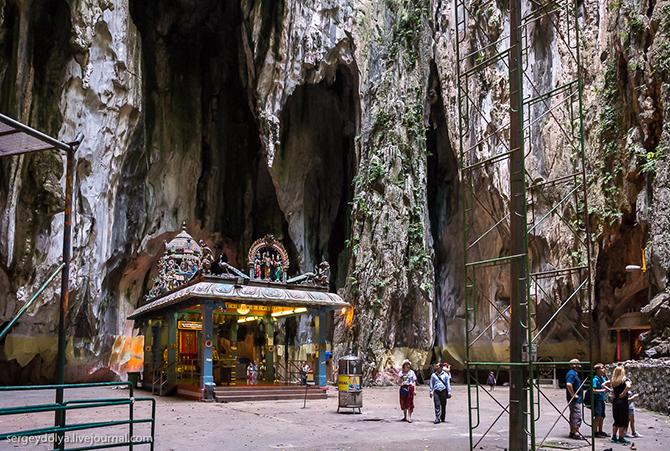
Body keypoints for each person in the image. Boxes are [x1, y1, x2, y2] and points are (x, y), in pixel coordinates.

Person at [610, 365, 632, 445]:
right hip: (623, 402)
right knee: (623, 419)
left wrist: (612, 392)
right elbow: (628, 386)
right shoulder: (625, 380)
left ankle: (614, 436)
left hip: (615, 401)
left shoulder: (613, 381)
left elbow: (603, 385)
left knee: (616, 419)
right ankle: (621, 437)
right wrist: (624, 393)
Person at [565, 358, 585, 440]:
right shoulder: (572, 374)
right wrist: (573, 394)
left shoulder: (574, 373)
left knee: (573, 414)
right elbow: (569, 384)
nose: (580, 363)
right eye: (578, 362)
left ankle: (572, 431)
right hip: (575, 399)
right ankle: (576, 433)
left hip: (575, 398)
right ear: (574, 365)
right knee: (577, 415)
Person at [592, 363, 612, 438]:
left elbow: (608, 383)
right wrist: (602, 390)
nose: (603, 370)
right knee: (598, 416)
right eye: (602, 368)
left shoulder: (602, 378)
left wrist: (605, 375)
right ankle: (595, 431)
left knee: (602, 416)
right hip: (597, 400)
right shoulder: (595, 379)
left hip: (602, 399)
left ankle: (600, 430)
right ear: (597, 370)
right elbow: (593, 390)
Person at [397, 359, 417, 423]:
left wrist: (415, 390)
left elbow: (414, 382)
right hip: (403, 387)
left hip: (409, 387)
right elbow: (399, 382)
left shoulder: (411, 372)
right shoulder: (401, 373)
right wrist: (401, 379)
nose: (408, 366)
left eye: (408, 364)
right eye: (406, 364)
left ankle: (409, 417)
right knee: (403, 402)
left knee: (409, 402)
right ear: (404, 365)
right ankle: (405, 416)